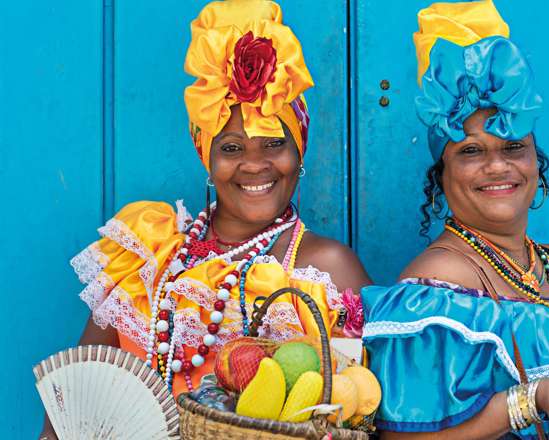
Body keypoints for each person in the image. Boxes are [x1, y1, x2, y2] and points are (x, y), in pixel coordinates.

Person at [39, 1, 370, 438]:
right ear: (207, 158)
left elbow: (359, 410)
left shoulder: (327, 268)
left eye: (273, 144)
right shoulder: (147, 255)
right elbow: (72, 405)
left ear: (298, 153)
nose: (255, 165)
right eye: (231, 148)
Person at [360, 1, 549, 438]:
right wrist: (528, 402)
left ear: (536, 162)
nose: (497, 166)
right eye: (471, 151)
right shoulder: (437, 285)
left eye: (512, 147)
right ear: (441, 175)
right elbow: (402, 436)